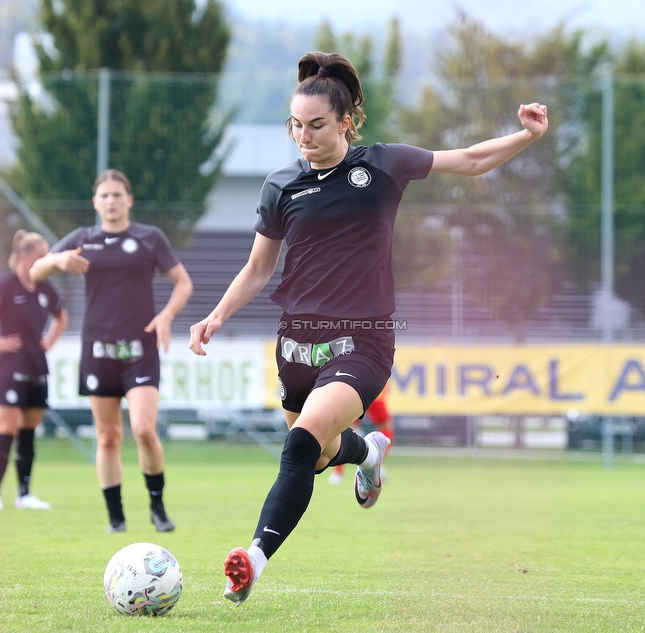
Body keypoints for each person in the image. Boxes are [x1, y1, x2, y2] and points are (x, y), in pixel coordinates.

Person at [188, 51, 548, 605]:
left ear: (346, 122)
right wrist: (215, 315)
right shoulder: (280, 186)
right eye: (295, 125)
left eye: (316, 125)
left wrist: (523, 136)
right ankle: (368, 453)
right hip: (296, 344)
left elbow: (472, 161)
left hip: (364, 340)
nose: (303, 137)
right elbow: (259, 267)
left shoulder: (381, 166)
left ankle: (252, 561)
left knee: (300, 446)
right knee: (325, 452)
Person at [30, 169, 193, 533]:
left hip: (140, 350)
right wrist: (56, 261)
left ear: (129, 200)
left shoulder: (149, 238)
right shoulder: (82, 239)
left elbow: (183, 283)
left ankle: (157, 507)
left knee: (143, 429)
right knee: (107, 436)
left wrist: (167, 314)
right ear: (95, 202)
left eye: (117, 195)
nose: (111, 201)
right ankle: (115, 518)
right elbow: (35, 272)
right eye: (104, 195)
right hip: (98, 350)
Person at [0, 230, 69, 511]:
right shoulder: (7, 286)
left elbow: (62, 317)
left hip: (37, 368)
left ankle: (24, 494)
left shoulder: (46, 289)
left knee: (28, 431)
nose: (47, 261)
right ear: (25, 257)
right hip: (10, 368)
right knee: (6, 429)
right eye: (42, 256)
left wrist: (49, 340)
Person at [328, 385, 392, 485]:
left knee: (347, 428)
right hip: (375, 391)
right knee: (385, 428)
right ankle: (376, 465)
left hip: (359, 390)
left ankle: (338, 473)